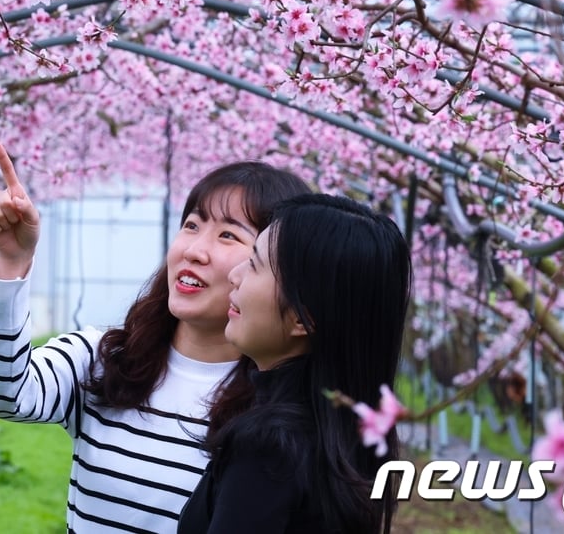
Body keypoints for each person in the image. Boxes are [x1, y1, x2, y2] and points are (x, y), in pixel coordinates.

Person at [0, 140, 312, 533]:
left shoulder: (278, 411)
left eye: (229, 236)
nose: (195, 250)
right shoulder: (105, 358)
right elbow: (0, 392)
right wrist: (13, 263)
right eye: (192, 225)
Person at [177, 194, 413, 534]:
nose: (235, 275)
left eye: (255, 264)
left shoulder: (269, 447)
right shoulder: (350, 439)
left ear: (304, 318)